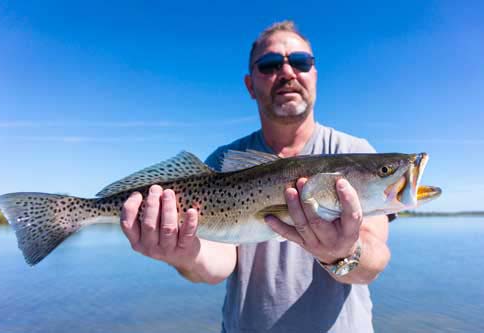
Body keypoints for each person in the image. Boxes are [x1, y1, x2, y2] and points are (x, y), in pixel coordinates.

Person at [120, 21, 391, 332]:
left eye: (301, 62)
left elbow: (374, 259)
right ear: (250, 85)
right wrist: (184, 255)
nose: (288, 73)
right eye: (271, 65)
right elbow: (219, 261)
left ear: (315, 75)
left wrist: (343, 252)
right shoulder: (224, 161)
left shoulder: (354, 152)